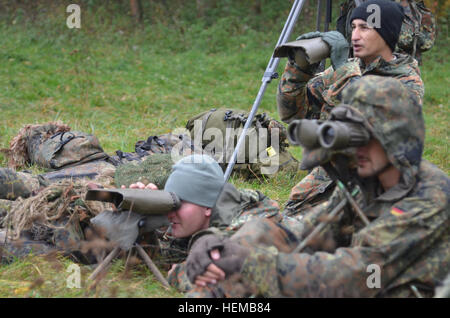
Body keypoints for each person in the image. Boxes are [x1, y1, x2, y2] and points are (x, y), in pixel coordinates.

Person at [184, 76, 449, 298]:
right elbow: (306, 234)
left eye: (370, 138)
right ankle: (210, 286)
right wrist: (216, 243)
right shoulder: (367, 184)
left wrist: (249, 263)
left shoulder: (430, 195)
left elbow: (361, 274)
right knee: (260, 230)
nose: (358, 150)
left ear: (398, 138)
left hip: (390, 286)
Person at [277, 0, 425, 216]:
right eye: (353, 26)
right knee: (289, 220)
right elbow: (293, 113)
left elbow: (371, 127)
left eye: (365, 28)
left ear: (386, 34)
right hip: (332, 174)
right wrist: (298, 69)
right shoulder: (347, 69)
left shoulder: (406, 81)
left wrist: (344, 70)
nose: (355, 35)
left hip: (377, 177)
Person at [125, 154, 281, 292]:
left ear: (207, 206)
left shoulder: (247, 222)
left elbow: (221, 275)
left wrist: (178, 274)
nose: (170, 213)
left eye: (178, 204)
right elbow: (160, 259)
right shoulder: (193, 223)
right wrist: (139, 220)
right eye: (168, 204)